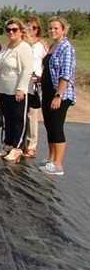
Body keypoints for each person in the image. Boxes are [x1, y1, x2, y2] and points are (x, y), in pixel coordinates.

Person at [39, 17, 76, 176]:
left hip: (59, 94)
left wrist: (58, 95)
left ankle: (58, 164)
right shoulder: (53, 46)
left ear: (64, 30)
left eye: (56, 28)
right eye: (50, 28)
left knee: (56, 126)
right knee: (49, 125)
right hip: (47, 92)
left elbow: (66, 74)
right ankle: (51, 159)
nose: (52, 31)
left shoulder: (66, 48)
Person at [0, 18, 32, 162]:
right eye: (8, 30)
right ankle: (8, 144)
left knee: (18, 119)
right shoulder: (5, 47)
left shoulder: (24, 48)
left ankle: (17, 147)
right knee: (7, 117)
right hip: (3, 89)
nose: (11, 32)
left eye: (14, 30)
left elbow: (27, 70)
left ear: (21, 31)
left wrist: (21, 88)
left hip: (16, 90)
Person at [22, 16, 47, 159]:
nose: (31, 29)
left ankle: (32, 146)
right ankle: (22, 143)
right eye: (29, 26)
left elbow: (46, 63)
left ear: (38, 30)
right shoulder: (23, 43)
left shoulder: (41, 45)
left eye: (34, 27)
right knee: (21, 113)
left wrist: (42, 80)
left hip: (35, 82)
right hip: (22, 81)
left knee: (32, 114)